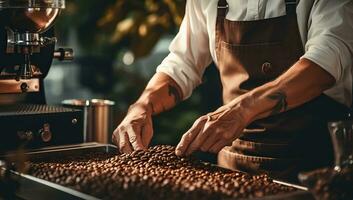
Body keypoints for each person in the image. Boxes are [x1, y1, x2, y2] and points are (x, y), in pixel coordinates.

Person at [112, 0, 353, 180]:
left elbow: (326, 61)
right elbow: (182, 62)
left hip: (316, 171)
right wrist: (143, 104)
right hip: (232, 171)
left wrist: (242, 110)